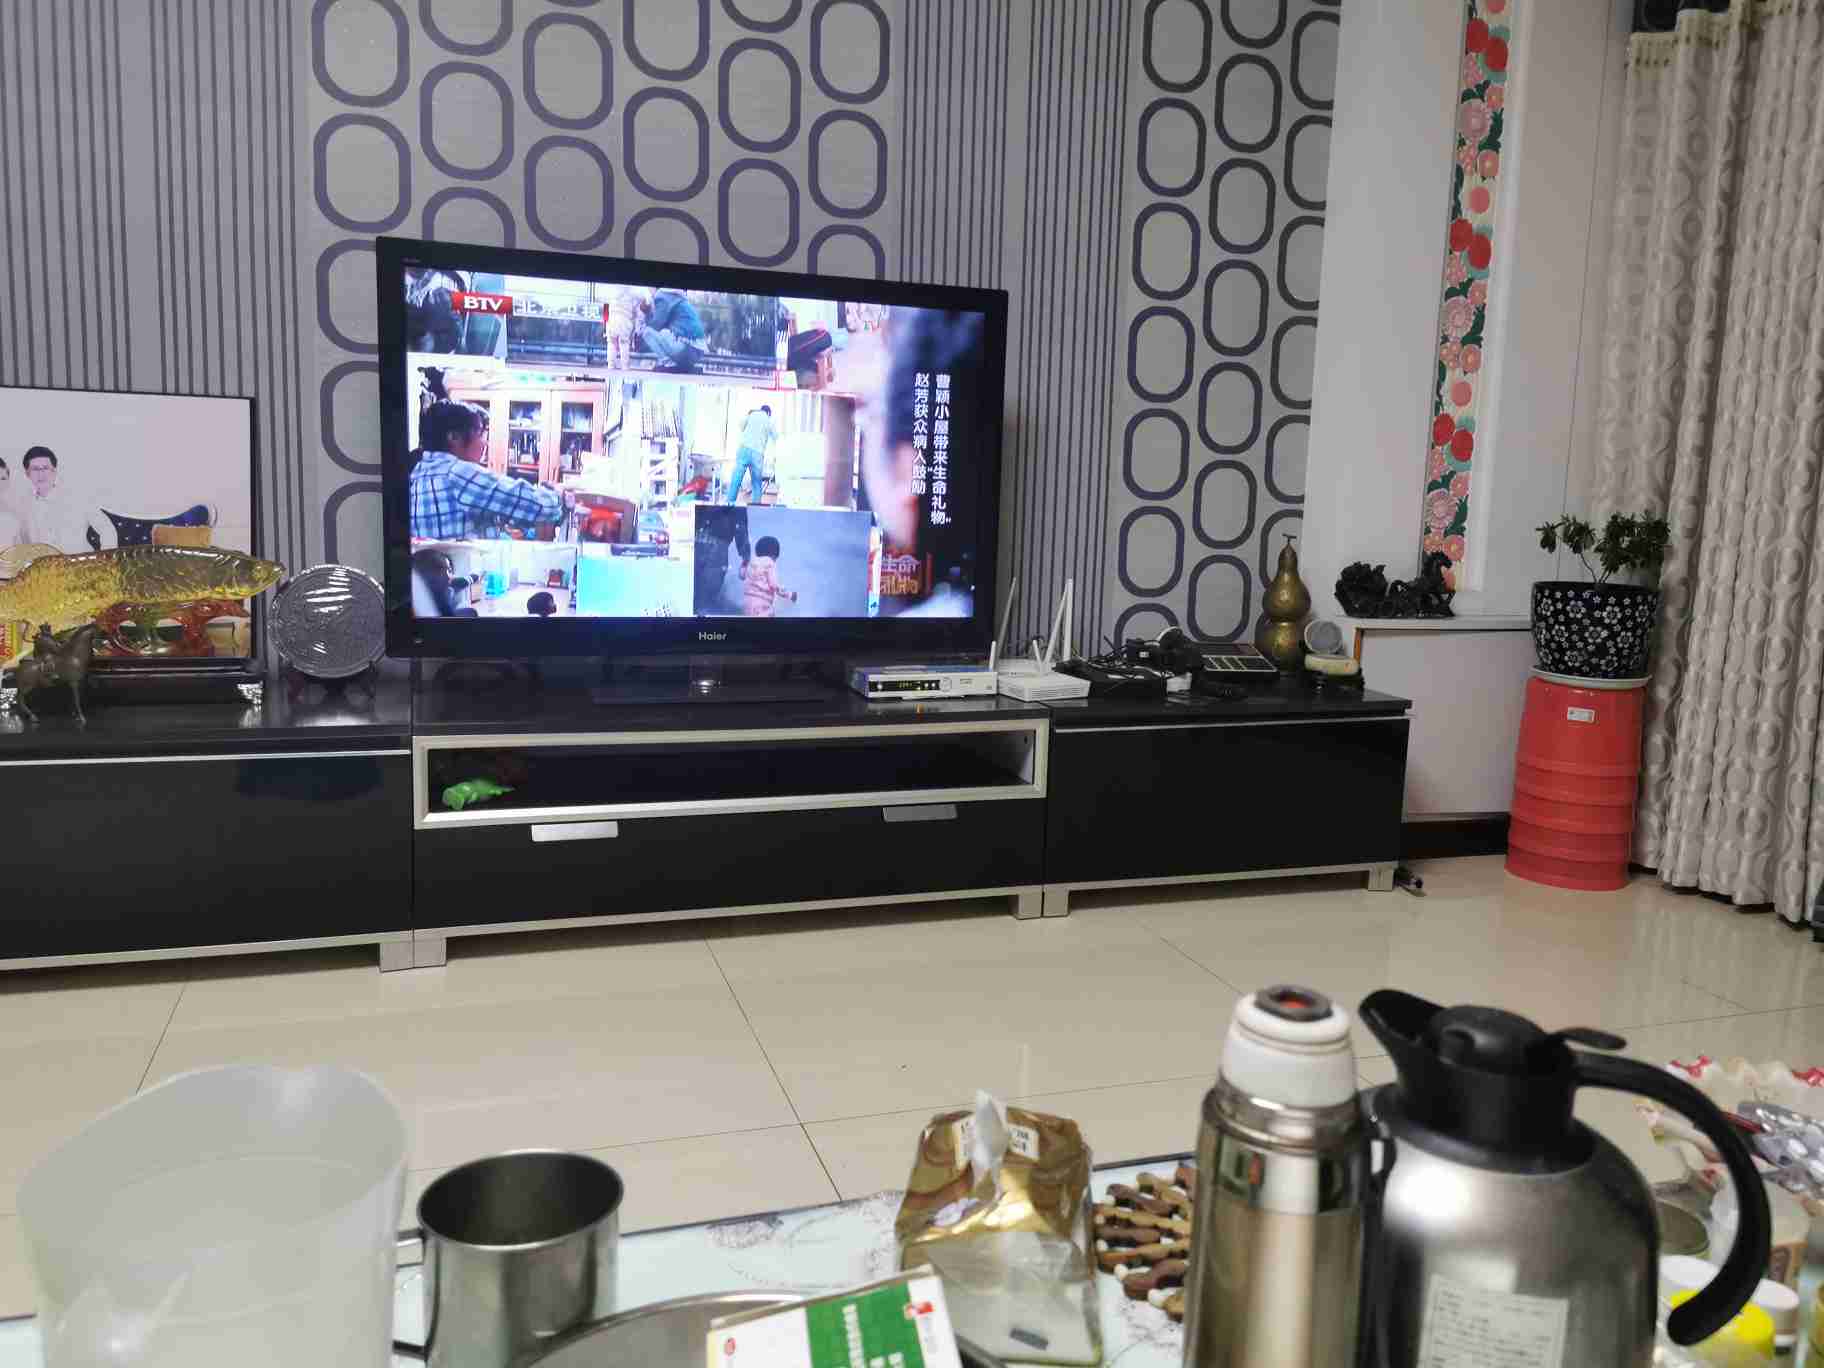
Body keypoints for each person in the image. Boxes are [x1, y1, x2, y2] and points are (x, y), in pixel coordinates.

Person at [409, 401, 568, 541]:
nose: (485, 443)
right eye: (480, 434)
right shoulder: (457, 473)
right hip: (466, 565)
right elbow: (542, 506)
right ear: (454, 437)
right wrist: (559, 494)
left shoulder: (419, 471)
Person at [17, 447, 109, 553]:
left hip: (81, 561)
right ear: (27, 474)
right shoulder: (24, 505)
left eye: (45, 468)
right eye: (35, 469)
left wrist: (105, 559)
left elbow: (107, 529)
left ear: (54, 471)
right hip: (45, 562)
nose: (41, 474)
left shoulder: (77, 497)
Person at [638, 287, 706, 373]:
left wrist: (647, 312)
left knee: (647, 332)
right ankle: (676, 364)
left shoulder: (662, 296)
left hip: (686, 349)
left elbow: (655, 325)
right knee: (665, 332)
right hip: (698, 351)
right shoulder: (679, 297)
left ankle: (668, 364)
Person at [726, 404, 775, 505]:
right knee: (756, 483)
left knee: (736, 478)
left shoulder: (752, 414)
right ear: (768, 413)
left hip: (744, 448)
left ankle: (729, 503)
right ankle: (756, 506)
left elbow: (741, 426)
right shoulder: (768, 420)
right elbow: (775, 436)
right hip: (758, 453)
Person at [740, 535, 798, 618]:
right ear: (774, 555)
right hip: (762, 605)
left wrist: (743, 564)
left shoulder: (751, 562)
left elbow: (742, 575)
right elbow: (774, 585)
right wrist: (790, 595)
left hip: (747, 603)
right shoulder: (769, 563)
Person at [410, 548, 478, 617]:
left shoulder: (447, 585)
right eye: (440, 571)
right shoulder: (435, 597)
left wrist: (473, 577)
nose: (448, 576)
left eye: (449, 570)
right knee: (471, 612)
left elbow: (464, 581)